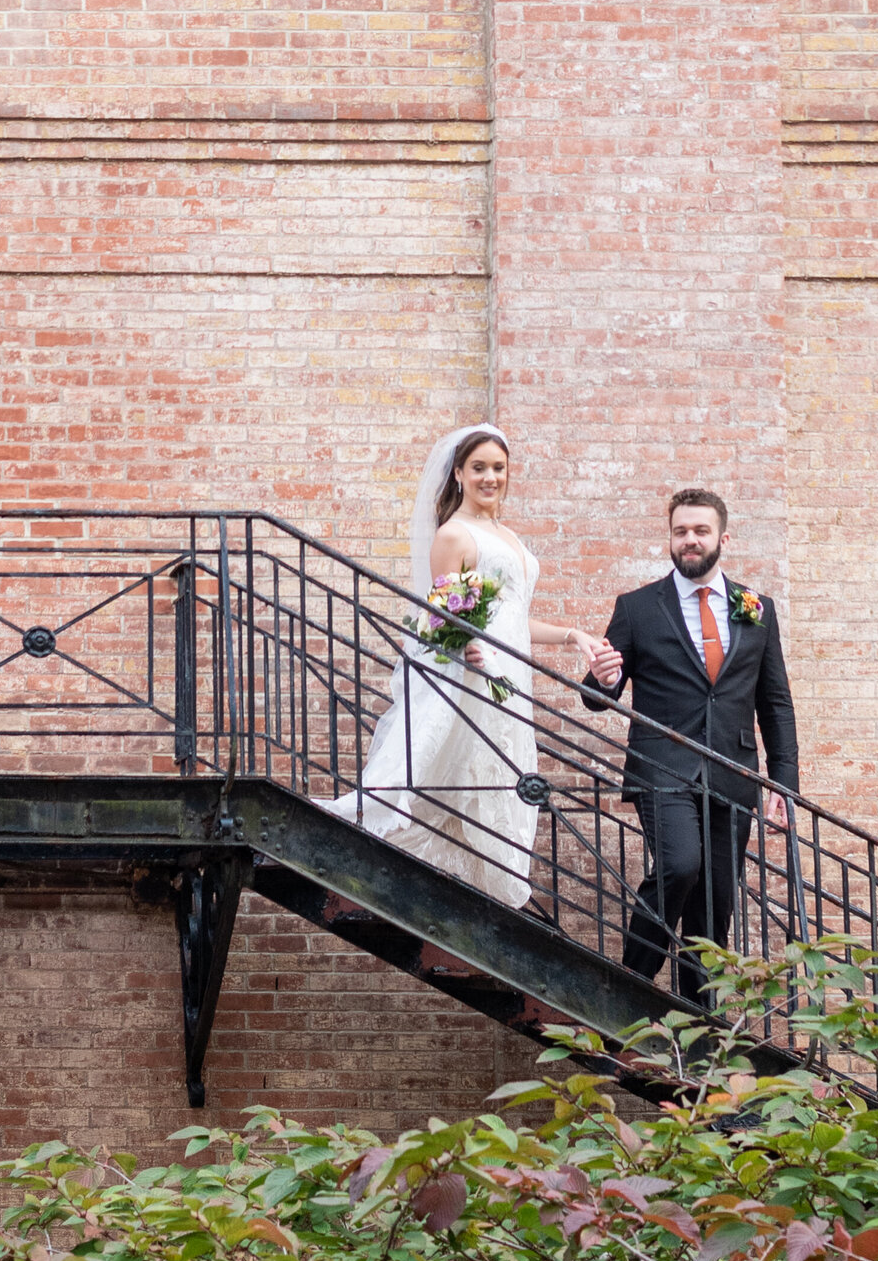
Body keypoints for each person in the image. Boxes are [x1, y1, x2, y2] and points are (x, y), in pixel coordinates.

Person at [328, 424, 610, 910]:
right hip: (473, 676)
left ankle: (491, 891)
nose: (490, 477)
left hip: (511, 677)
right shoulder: (454, 533)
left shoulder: (508, 536)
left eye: (498, 468)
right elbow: (437, 616)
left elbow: (513, 616)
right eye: (478, 467)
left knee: (501, 776)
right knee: (462, 773)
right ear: (459, 473)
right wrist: (466, 646)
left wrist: (572, 635)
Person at [582, 490, 799, 1000]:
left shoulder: (756, 608)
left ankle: (701, 1028)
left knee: (714, 904)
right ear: (671, 538)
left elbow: (775, 704)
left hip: (733, 771)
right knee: (680, 865)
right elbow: (600, 696)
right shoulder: (637, 608)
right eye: (681, 531)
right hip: (663, 765)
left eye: (700, 531)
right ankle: (630, 982)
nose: (690, 540)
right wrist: (598, 678)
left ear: (723, 538)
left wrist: (782, 783)